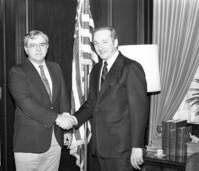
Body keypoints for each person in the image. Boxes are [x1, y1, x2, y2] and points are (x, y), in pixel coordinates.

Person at [67, 26, 149, 170]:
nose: (100, 47)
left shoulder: (131, 68)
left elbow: (139, 112)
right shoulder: (96, 69)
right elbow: (93, 103)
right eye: (96, 43)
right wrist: (74, 119)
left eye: (104, 42)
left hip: (122, 148)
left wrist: (137, 146)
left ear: (115, 42)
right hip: (99, 146)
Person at [8, 30, 75, 171]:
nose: (38, 49)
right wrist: (57, 118)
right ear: (26, 49)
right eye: (33, 45)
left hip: (55, 140)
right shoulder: (17, 72)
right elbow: (25, 103)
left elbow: (63, 98)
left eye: (42, 44)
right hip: (29, 142)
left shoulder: (55, 68)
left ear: (47, 47)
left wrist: (67, 130)